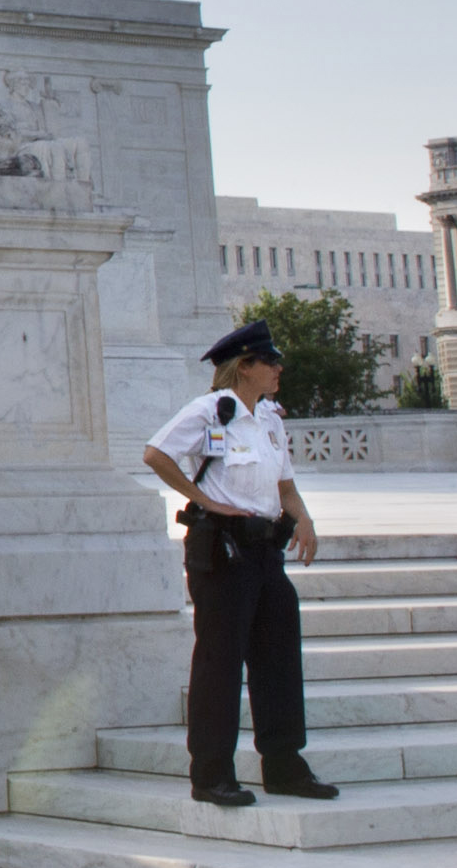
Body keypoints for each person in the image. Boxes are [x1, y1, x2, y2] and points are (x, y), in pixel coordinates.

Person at [141, 320, 337, 809]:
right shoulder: (211, 411)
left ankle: (285, 766)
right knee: (220, 665)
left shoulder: (270, 418)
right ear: (244, 366)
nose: (279, 369)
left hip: (266, 551)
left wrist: (305, 520)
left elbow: (284, 486)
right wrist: (204, 499)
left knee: (279, 661)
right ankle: (211, 775)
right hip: (223, 552)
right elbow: (155, 453)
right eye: (270, 362)